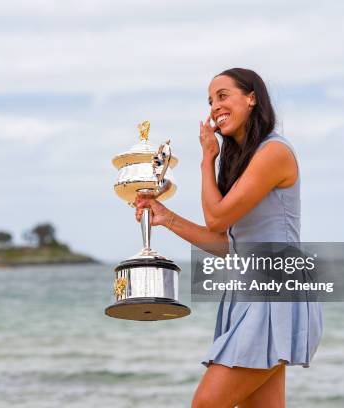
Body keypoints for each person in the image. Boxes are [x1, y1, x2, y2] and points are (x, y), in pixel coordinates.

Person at [135, 68, 323, 408]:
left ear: (251, 98)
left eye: (223, 95)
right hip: (249, 291)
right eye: (210, 100)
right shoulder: (244, 162)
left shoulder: (274, 152)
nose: (214, 106)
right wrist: (167, 217)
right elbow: (226, 244)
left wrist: (207, 159)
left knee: (206, 403)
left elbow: (216, 216)